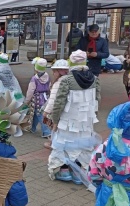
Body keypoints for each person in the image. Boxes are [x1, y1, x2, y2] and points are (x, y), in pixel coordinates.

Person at [48, 50, 100, 183]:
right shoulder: (94, 79)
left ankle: (64, 171)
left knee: (65, 143)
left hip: (68, 119)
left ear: (71, 62)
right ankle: (78, 172)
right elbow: (96, 99)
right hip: (86, 120)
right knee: (82, 144)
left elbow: (59, 102)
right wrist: (93, 116)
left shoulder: (67, 80)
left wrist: (55, 119)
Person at [43, 59, 70, 149]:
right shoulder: (70, 80)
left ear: (59, 72)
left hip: (57, 109)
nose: (53, 74)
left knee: (54, 126)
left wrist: (46, 112)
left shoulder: (58, 83)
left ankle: (53, 143)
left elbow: (53, 99)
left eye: (54, 71)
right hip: (67, 109)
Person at [24, 57, 51, 138]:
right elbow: (49, 87)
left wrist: (27, 101)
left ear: (36, 69)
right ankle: (32, 128)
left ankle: (46, 132)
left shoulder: (34, 79)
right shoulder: (48, 77)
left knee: (40, 115)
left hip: (37, 100)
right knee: (36, 114)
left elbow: (30, 91)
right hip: (45, 98)